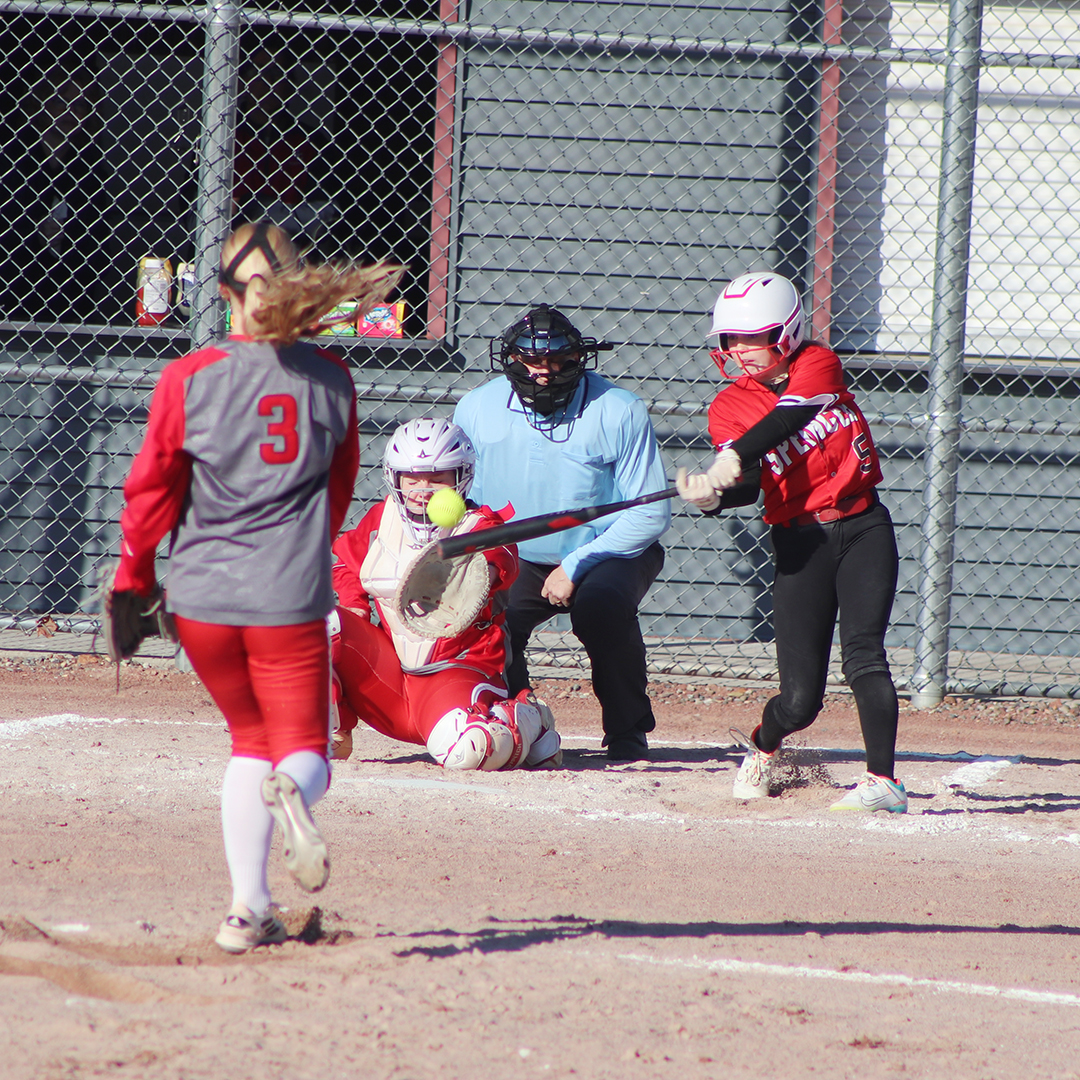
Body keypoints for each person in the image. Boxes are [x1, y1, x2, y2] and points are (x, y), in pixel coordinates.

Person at [111, 221, 405, 953]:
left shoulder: (189, 376)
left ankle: (249, 910)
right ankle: (293, 805)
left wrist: (132, 583)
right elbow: (337, 498)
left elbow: (150, 491)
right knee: (299, 747)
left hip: (202, 601)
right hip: (287, 598)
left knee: (248, 742)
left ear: (223, 296)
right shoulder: (332, 379)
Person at [676, 272, 906, 812]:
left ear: (787, 332)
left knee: (865, 657)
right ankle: (763, 745)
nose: (739, 351)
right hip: (800, 543)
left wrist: (732, 458)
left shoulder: (817, 363)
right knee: (801, 702)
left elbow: (793, 414)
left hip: (864, 526)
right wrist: (715, 495)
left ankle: (884, 782)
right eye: (730, 340)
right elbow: (755, 479)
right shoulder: (729, 406)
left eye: (751, 338)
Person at [454, 305, 670, 762]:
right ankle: (518, 715)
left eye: (555, 364)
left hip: (609, 549)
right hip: (517, 553)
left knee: (601, 609)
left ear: (579, 360)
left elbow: (649, 515)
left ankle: (628, 729)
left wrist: (576, 564)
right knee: (488, 615)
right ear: (509, 359)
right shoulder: (477, 406)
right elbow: (460, 494)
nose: (543, 376)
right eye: (531, 364)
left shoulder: (617, 408)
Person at [330, 417, 562, 771]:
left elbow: (505, 566)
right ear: (395, 479)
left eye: (438, 478)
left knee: (467, 752)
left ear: (460, 478)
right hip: (390, 675)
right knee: (318, 623)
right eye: (412, 478)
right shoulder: (381, 519)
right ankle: (328, 733)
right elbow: (347, 565)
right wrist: (355, 606)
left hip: (454, 672)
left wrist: (476, 557)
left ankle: (528, 717)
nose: (423, 488)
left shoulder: (482, 528)